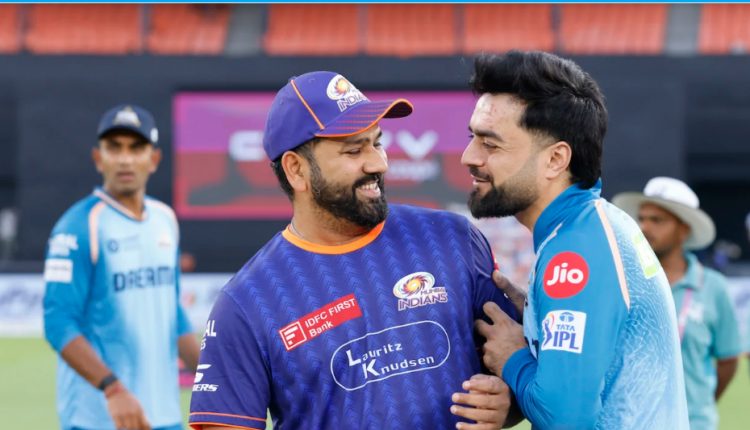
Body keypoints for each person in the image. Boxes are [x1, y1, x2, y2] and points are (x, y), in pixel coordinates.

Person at [188, 71, 522, 430]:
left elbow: (525, 374)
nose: (379, 163)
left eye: (377, 143)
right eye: (353, 150)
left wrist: (508, 402)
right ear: (296, 169)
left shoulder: (452, 239)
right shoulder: (247, 303)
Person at [460, 51, 689, 429]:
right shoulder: (590, 227)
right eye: (473, 138)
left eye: (491, 144)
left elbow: (565, 418)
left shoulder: (574, 251)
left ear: (555, 160)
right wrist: (536, 321)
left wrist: (513, 356)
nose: (469, 157)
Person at [43, 104, 200, 430]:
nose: (125, 159)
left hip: (165, 417)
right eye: (114, 148)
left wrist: (214, 377)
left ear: (153, 159)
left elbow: (172, 312)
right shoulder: (78, 226)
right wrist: (112, 388)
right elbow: (58, 322)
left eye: (136, 148)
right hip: (99, 419)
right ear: (98, 158)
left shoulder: (164, 220)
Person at [613, 176, 741, 430]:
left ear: (684, 230)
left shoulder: (712, 287)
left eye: (657, 220)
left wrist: (698, 406)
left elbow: (728, 359)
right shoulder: (622, 281)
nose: (645, 227)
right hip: (633, 423)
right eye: (642, 219)